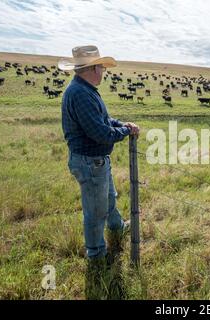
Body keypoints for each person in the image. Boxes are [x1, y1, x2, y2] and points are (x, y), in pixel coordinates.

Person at [59, 45, 139, 261]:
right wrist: (125, 131)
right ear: (93, 69)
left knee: (108, 198)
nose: (103, 72)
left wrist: (123, 124)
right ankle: (96, 255)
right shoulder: (80, 94)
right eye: (102, 68)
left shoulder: (84, 90)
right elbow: (101, 133)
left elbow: (104, 120)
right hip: (90, 160)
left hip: (95, 159)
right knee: (95, 212)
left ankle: (117, 227)